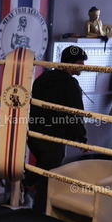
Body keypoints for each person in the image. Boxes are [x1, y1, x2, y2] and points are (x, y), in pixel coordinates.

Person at [27, 46, 88, 212]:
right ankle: (39, 212)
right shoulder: (70, 84)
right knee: (49, 177)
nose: (83, 66)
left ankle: (27, 192)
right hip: (54, 137)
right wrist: (82, 138)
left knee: (42, 171)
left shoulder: (43, 78)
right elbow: (76, 114)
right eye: (81, 63)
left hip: (35, 134)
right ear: (72, 63)